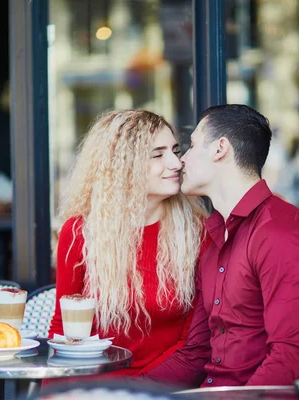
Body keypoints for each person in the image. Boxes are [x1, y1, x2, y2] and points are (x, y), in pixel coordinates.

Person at [143, 104, 299, 387]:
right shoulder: (215, 238)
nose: (181, 162)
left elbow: (290, 362)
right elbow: (197, 352)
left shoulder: (279, 232)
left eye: (191, 146)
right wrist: (124, 392)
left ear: (220, 149)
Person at [48, 109, 208, 377]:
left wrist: (136, 391)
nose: (176, 163)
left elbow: (194, 341)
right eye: (158, 155)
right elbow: (65, 327)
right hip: (94, 387)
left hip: (166, 386)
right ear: (123, 166)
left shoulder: (197, 232)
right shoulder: (79, 233)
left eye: (175, 150)